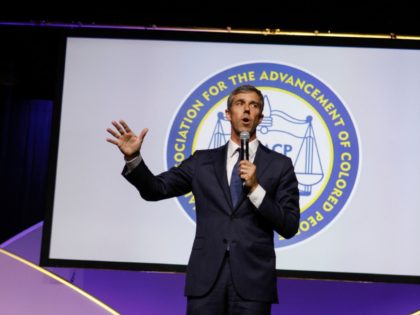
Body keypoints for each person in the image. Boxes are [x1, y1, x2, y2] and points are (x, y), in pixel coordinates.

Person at [106, 84, 300, 315]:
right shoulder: (202, 162)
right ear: (228, 114)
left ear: (261, 117)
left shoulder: (280, 165)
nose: (246, 110)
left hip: (253, 283)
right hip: (206, 281)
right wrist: (134, 158)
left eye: (254, 105)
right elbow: (155, 189)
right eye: (240, 104)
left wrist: (256, 188)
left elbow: (289, 225)